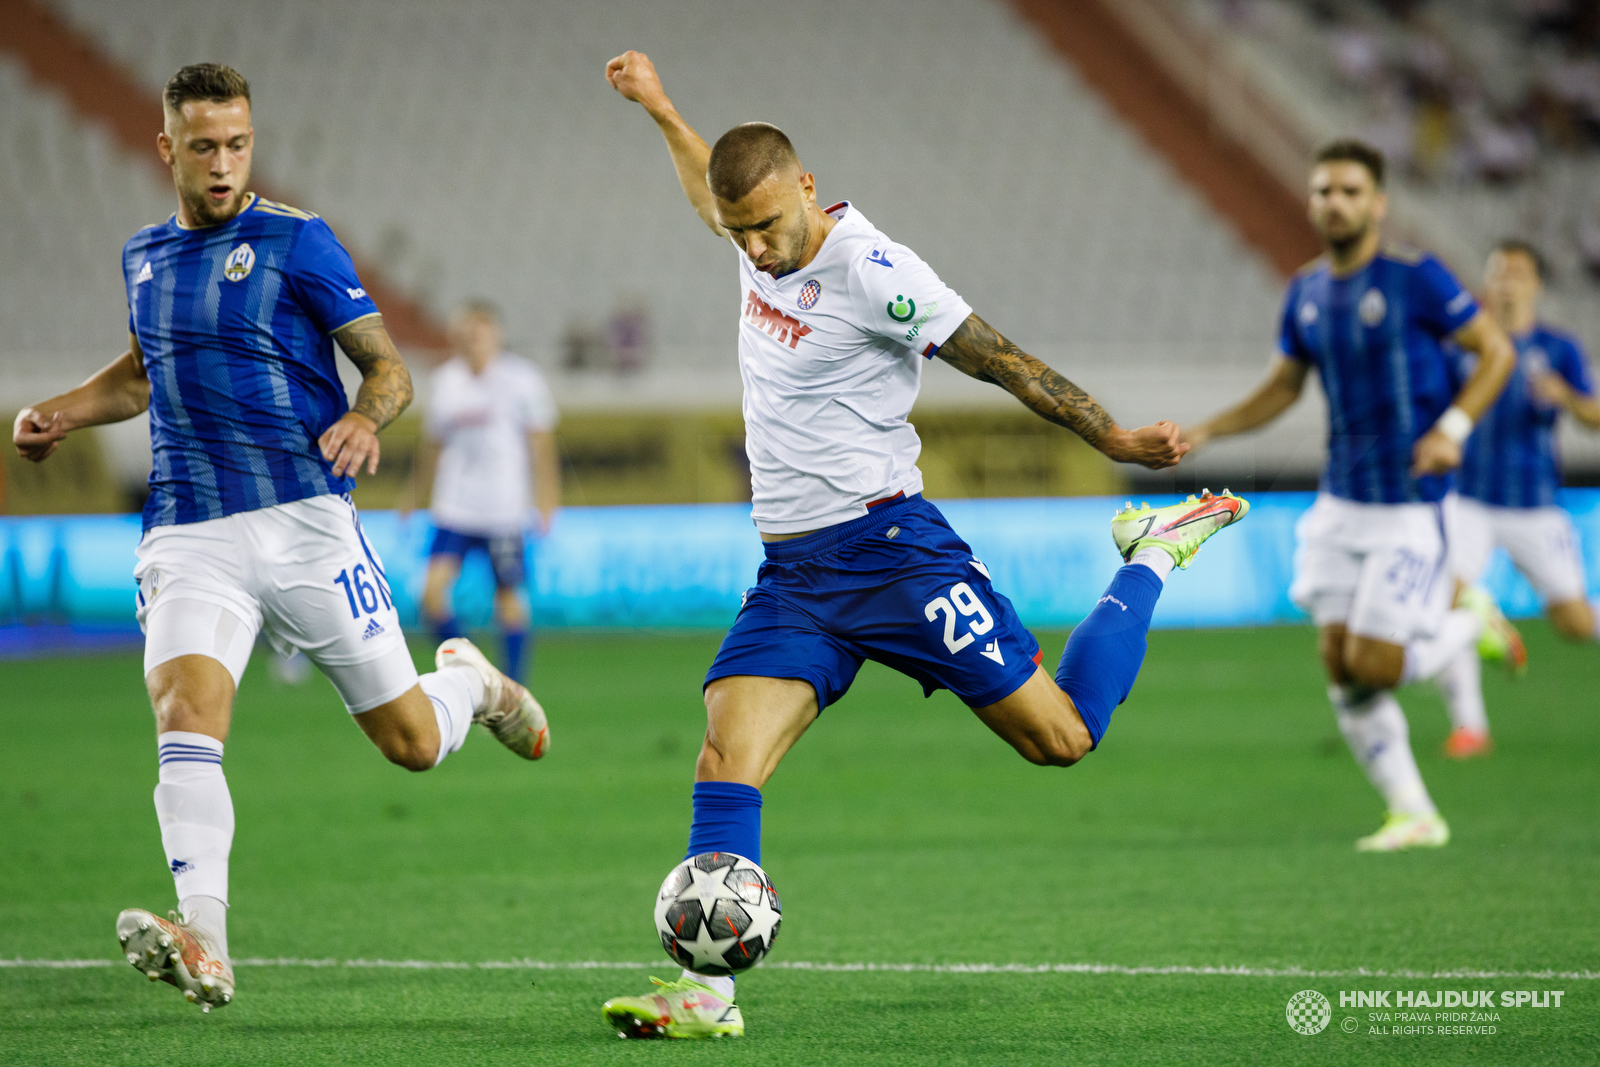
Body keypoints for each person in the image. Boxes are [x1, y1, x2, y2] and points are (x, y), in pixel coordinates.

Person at [597, 50, 1249, 1040]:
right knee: (724, 754)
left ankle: (1153, 551)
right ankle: (706, 991)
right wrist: (660, 107)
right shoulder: (747, 233)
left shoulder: (875, 270)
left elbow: (1000, 359)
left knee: (1061, 737)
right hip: (797, 577)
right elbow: (705, 188)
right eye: (743, 234)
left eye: (770, 226)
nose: (758, 251)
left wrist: (1110, 435)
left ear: (806, 188)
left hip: (897, 555)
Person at [9, 64, 550, 1013]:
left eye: (239, 145)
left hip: (306, 521)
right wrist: (60, 410)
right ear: (167, 148)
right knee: (185, 716)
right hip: (188, 530)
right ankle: (206, 939)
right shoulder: (141, 255)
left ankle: (471, 679)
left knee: (413, 744)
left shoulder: (299, 242)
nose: (223, 165)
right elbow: (143, 375)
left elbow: (386, 370)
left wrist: (367, 420)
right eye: (205, 147)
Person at [1180, 140, 1515, 852]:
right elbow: (1283, 386)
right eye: (1325, 190)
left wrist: (1454, 427)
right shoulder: (1305, 291)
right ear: (1312, 201)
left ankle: (1468, 625)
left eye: (1351, 191)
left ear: (1378, 203)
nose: (1336, 202)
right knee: (1339, 666)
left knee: (1377, 664)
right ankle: (1414, 812)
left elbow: (1497, 352)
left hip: (1410, 504)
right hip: (1339, 505)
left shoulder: (1416, 278)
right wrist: (1209, 430)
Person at [1437, 239, 1600, 758]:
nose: (1506, 283)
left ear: (1536, 285)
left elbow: (1595, 417)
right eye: (1498, 273)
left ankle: (1482, 615)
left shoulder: (1558, 349)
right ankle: (1470, 727)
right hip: (1470, 501)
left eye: (1517, 274)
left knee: (1574, 623)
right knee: (1443, 600)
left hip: (1535, 503)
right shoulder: (1463, 346)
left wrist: (1567, 397)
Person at [413, 301, 560, 682]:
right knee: (430, 594)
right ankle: (472, 671)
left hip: (503, 510)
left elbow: (541, 443)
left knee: (508, 599)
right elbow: (432, 446)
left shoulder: (521, 379)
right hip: (454, 509)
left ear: (496, 334)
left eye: (479, 330)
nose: (472, 338)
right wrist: (413, 496)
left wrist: (547, 499)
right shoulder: (446, 380)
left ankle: (513, 684)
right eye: (466, 330)